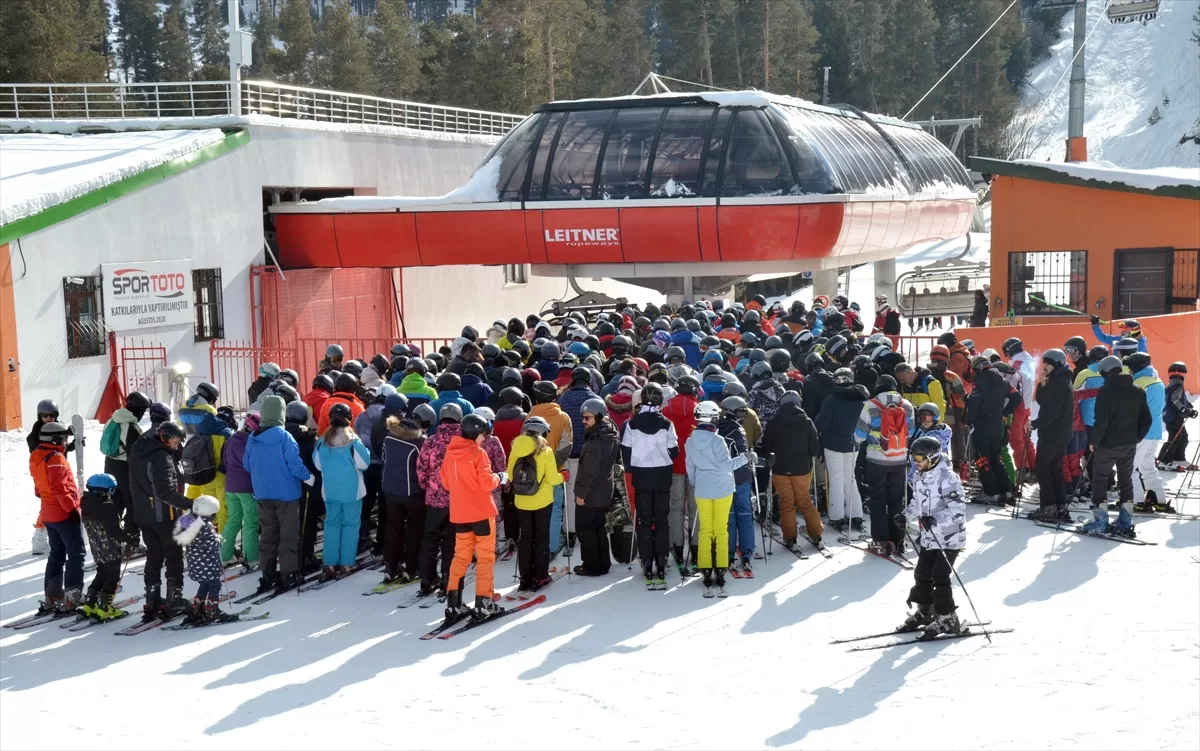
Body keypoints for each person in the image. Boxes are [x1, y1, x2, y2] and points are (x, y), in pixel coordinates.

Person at [895, 435, 967, 638]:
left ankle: (948, 618)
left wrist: (934, 520)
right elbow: (917, 502)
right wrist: (905, 516)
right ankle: (926, 612)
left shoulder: (948, 479)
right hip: (929, 536)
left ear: (933, 457)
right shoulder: (920, 476)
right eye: (913, 459)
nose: (916, 464)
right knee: (922, 574)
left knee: (940, 576)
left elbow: (958, 511)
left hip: (950, 537)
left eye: (919, 459)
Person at [243, 395, 314, 595]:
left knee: (268, 535)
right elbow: (294, 464)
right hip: (287, 494)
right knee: (288, 536)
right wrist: (307, 477)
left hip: (262, 493)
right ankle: (288, 573)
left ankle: (267, 574)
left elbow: (246, 465)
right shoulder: (284, 437)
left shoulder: (253, 437)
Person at [440, 413, 505, 621]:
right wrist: (500, 477)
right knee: (485, 558)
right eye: (482, 434)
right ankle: (484, 603)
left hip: (460, 513)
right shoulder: (478, 453)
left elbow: (446, 483)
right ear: (475, 432)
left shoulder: (450, 453)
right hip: (481, 512)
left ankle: (454, 604)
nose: (484, 438)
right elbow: (487, 483)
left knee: (460, 557)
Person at [130, 420, 194, 620]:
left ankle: (152, 599)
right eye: (175, 442)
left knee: (154, 556)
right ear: (165, 438)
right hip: (164, 515)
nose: (177, 446)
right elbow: (165, 491)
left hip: (143, 514)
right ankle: (173, 599)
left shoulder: (139, 452)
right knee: (173, 555)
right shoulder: (161, 457)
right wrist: (189, 504)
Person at [1083, 356, 1151, 537]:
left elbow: (1101, 421)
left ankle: (1100, 520)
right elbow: (1147, 420)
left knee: (1099, 479)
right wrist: (1136, 437)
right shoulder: (1138, 389)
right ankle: (1125, 521)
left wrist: (1094, 441)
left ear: (1105, 373)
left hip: (1107, 444)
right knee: (1125, 480)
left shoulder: (1105, 391)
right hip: (1129, 444)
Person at [621, 382, 679, 590]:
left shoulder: (632, 424)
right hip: (662, 474)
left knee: (645, 520)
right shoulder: (666, 423)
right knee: (661, 518)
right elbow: (674, 451)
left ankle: (646, 560)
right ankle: (661, 559)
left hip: (641, 474)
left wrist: (636, 463)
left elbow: (625, 450)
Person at [686, 401, 747, 598]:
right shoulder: (717, 440)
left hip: (703, 488)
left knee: (705, 529)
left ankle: (705, 567)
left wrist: (698, 483)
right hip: (722, 488)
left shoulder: (690, 441)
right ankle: (720, 567)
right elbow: (725, 466)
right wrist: (746, 457)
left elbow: (691, 469)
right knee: (720, 529)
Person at [854, 376, 915, 555]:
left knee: (877, 500)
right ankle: (898, 539)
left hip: (876, 461)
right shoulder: (907, 405)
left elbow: (860, 434)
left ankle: (881, 540)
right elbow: (910, 431)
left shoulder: (871, 405)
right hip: (899, 460)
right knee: (896, 500)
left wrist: (855, 440)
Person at [30, 421, 85, 614]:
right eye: (63, 438)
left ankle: (52, 595)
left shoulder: (36, 455)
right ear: (55, 439)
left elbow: (39, 488)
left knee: (57, 554)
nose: (65, 441)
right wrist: (72, 511)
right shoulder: (56, 459)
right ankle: (73, 596)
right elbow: (60, 488)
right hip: (62, 514)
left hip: (47, 513)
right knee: (76, 553)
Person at [314, 403, 371, 582]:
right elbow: (364, 463)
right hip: (352, 491)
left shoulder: (322, 442)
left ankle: (329, 563)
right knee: (351, 525)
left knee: (332, 525)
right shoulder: (353, 441)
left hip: (330, 491)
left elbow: (317, 465)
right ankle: (347, 562)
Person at [508, 416, 563, 592]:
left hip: (521, 500)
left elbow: (510, 476)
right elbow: (554, 479)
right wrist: (563, 476)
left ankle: (525, 578)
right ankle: (541, 576)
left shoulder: (515, 449)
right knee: (541, 538)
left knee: (525, 538)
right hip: (542, 501)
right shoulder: (545, 451)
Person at [763, 391, 823, 550]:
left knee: (786, 501)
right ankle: (816, 533)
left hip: (780, 468)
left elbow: (767, 445)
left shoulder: (774, 421)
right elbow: (814, 448)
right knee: (805, 500)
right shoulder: (806, 421)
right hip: (801, 468)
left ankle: (790, 537)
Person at [415, 404, 463, 597]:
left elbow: (421, 468)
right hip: (458, 498)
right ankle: (447, 578)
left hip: (434, 498)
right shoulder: (463, 441)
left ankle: (426, 579)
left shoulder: (430, 441)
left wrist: (428, 487)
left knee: (430, 537)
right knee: (451, 540)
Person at [77, 473, 138, 621]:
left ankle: (90, 604)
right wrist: (129, 539)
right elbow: (114, 531)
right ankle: (105, 608)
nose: (112, 494)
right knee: (112, 577)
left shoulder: (86, 503)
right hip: (110, 549)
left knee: (102, 574)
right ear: (102, 490)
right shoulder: (107, 506)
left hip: (97, 548)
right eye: (111, 490)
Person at [573, 398, 619, 577]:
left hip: (592, 492)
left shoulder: (595, 440)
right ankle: (603, 563)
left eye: (588, 418)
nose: (584, 422)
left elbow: (589, 471)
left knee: (587, 529)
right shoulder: (610, 431)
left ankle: (592, 566)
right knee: (599, 528)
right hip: (604, 489)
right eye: (583, 418)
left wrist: (581, 494)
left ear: (599, 417)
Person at [173, 495, 237, 625]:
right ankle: (212, 610)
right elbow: (211, 545)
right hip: (207, 565)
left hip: (196, 564)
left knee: (204, 584)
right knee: (215, 585)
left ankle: (197, 608)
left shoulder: (189, 522)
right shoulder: (205, 526)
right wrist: (218, 539)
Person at [1028, 349, 1076, 522]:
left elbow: (1050, 413)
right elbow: (1042, 401)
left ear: (1055, 364)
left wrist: (1034, 424)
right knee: (1055, 470)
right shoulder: (1058, 380)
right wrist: (1041, 384)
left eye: (1047, 363)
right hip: (1060, 432)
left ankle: (1048, 507)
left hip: (1052, 432)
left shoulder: (1059, 384)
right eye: (1044, 363)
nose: (1044, 366)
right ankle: (1058, 505)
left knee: (1042, 470)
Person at [965, 357, 1021, 506]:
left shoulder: (979, 383)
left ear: (976, 369)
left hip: (981, 425)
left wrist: (969, 419)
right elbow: (1017, 396)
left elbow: (974, 401)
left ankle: (991, 492)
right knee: (996, 457)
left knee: (982, 459)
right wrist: (1005, 412)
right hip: (996, 425)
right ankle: (1006, 489)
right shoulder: (1003, 381)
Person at [178, 383, 231, 532]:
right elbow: (217, 438)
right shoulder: (208, 412)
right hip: (209, 460)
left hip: (191, 459)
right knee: (219, 504)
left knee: (194, 495)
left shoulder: (183, 411)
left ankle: (189, 527)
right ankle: (220, 535)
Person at [381, 413, 426, 584]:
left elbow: (384, 458)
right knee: (415, 529)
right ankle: (411, 566)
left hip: (390, 489)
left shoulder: (389, 438)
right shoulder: (418, 443)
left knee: (393, 528)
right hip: (412, 491)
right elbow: (422, 469)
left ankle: (390, 566)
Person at [528, 380, 573, 553]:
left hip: (534, 471)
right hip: (555, 471)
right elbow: (566, 444)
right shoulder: (563, 417)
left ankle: (535, 544)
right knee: (555, 510)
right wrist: (552, 464)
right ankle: (552, 545)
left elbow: (525, 443)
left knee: (535, 509)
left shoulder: (530, 415)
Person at [557, 366, 599, 552]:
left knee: (570, 495)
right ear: (589, 381)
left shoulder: (562, 400)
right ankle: (589, 530)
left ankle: (570, 532)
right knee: (589, 494)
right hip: (590, 454)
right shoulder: (596, 401)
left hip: (569, 454)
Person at [663, 374, 701, 574]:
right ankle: (695, 550)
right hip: (696, 467)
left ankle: (677, 548)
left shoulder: (666, 410)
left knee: (675, 509)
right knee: (695, 510)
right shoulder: (701, 410)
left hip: (673, 466)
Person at [1125, 352, 1167, 513]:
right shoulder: (1157, 380)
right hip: (1155, 429)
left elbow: (1132, 407)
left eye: (1129, 366)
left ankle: (1136, 500)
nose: (1128, 369)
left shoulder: (1139, 382)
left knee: (1129, 468)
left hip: (1141, 430)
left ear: (1136, 367)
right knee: (1147, 466)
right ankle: (1158, 498)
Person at [219, 412, 260, 568]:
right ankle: (252, 558)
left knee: (233, 520)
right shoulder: (249, 443)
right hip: (246, 487)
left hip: (230, 486)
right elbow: (252, 465)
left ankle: (224, 555)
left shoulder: (231, 439)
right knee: (251, 523)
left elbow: (225, 461)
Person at [1001, 338, 1037, 484]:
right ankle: (1033, 467)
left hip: (1018, 404)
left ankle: (1023, 469)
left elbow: (1010, 385)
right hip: (1026, 403)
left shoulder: (1017, 364)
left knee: (1016, 439)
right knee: (1026, 437)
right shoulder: (1027, 359)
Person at [1160, 362, 1197, 471]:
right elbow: (1175, 401)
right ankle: (1164, 460)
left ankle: (1179, 458)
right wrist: (1186, 411)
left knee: (1183, 437)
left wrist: (1189, 408)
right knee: (1175, 438)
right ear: (1184, 374)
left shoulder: (1171, 385)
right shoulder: (1178, 385)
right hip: (1174, 417)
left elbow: (1180, 399)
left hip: (1172, 417)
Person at [909, 403, 952, 489]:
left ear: (935, 418)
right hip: (918, 472)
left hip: (930, 474)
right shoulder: (922, 430)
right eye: (922, 418)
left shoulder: (937, 436)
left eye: (928, 418)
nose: (924, 421)